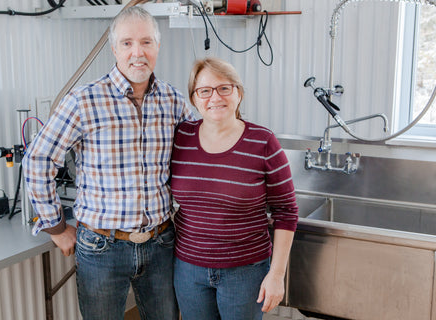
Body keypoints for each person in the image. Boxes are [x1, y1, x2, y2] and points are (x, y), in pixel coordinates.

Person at [22, 6, 193, 320]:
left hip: (162, 242)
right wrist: (56, 228)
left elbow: (197, 161)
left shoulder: (175, 102)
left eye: (146, 42)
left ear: (158, 47)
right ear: (114, 49)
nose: (137, 52)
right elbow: (37, 159)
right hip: (101, 247)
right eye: (127, 43)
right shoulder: (83, 100)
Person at [170, 57, 299, 320]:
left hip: (245, 272)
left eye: (224, 88)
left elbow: (286, 211)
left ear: (238, 93)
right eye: (204, 90)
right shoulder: (181, 137)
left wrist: (276, 275)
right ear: (194, 99)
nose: (214, 97)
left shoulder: (262, 142)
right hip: (189, 269)